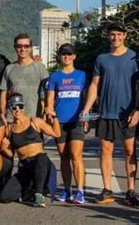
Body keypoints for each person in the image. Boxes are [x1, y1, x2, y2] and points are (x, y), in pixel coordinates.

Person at [81, 22, 139, 206]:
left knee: (130, 151)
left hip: (127, 114)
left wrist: (137, 110)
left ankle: (130, 191)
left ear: (125, 35)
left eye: (119, 34)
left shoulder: (134, 58)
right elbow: (94, 85)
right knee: (105, 151)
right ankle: (107, 189)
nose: (115, 38)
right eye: (112, 34)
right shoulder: (102, 59)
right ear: (108, 37)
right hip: (106, 113)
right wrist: (86, 109)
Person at [0, 93, 61, 207]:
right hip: (25, 166)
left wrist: (54, 117)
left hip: (41, 163)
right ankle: (30, 191)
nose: (18, 110)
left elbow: (57, 133)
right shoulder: (9, 128)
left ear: (24, 107)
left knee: (41, 157)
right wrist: (3, 149)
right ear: (10, 109)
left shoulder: (35, 121)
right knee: (5, 196)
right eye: (14, 108)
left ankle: (39, 194)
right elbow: (10, 154)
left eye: (20, 106)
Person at [45, 43, 88, 204]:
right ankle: (67, 190)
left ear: (74, 56)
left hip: (76, 121)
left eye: (69, 54)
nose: (67, 57)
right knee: (64, 157)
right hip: (60, 122)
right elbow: (50, 98)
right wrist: (49, 110)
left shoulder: (82, 75)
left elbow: (86, 98)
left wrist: (87, 116)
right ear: (60, 57)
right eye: (64, 54)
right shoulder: (54, 76)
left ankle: (80, 191)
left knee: (76, 155)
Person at [0, 33, 48, 123]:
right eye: (19, 46)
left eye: (26, 46)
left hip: (34, 118)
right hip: (13, 119)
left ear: (30, 48)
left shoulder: (40, 67)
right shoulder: (9, 68)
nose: (23, 49)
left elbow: (48, 92)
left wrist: (46, 112)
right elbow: (3, 93)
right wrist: (2, 113)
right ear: (15, 47)